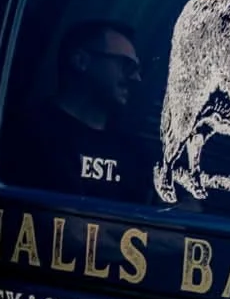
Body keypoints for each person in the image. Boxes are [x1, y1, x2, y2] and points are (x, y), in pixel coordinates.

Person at [19, 19, 146, 198]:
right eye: (126, 65)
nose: (135, 78)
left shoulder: (133, 152)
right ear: (80, 61)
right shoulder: (26, 133)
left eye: (137, 69)